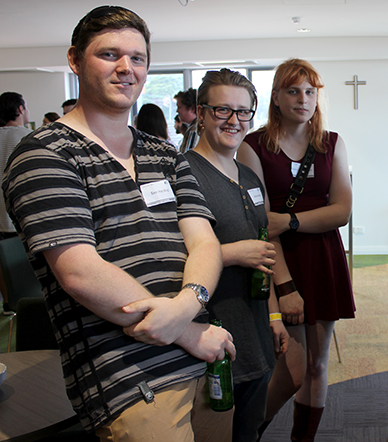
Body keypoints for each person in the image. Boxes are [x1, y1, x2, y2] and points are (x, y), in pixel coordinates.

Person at [2, 6, 235, 441]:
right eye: (109, 55)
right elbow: (79, 272)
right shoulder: (45, 154)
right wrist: (186, 331)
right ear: (75, 60)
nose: (127, 68)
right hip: (131, 380)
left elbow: (204, 243)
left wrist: (188, 306)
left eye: (138, 58)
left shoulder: (164, 154)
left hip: (205, 359)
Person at [237, 58, 355, 442]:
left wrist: (288, 221)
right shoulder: (253, 147)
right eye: (293, 91)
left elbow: (341, 211)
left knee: (317, 366)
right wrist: (286, 287)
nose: (303, 99)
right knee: (289, 369)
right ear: (276, 97)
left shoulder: (332, 143)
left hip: (322, 257)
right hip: (276, 262)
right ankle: (246, 433)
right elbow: (261, 223)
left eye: (309, 91)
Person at [185, 68, 290, 442]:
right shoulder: (184, 174)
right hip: (211, 335)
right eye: (222, 110)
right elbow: (168, 257)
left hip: (256, 331)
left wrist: (274, 314)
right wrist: (230, 254)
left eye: (243, 111)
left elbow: (263, 253)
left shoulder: (249, 176)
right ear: (201, 113)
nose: (234, 120)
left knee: (250, 430)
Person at [0, 91, 31, 316]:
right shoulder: (30, 138)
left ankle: (8, 306)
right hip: (20, 216)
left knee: (4, 268)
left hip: (0, 218)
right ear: (20, 109)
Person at [176, 87, 199, 153]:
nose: (177, 111)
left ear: (192, 109)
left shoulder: (194, 130)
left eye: (179, 107)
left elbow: (188, 158)